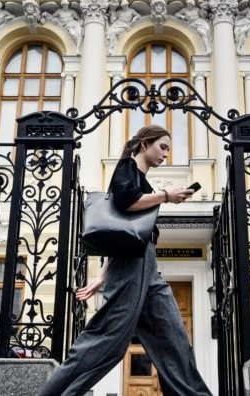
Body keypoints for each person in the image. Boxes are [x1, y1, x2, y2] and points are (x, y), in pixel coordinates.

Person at [37, 125, 213, 396]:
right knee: (108, 340)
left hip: (147, 267)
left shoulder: (142, 181)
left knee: (173, 338)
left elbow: (123, 234)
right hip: (131, 266)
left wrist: (101, 276)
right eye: (162, 147)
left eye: (168, 149)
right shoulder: (126, 168)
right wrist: (166, 196)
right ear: (145, 144)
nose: (165, 154)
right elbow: (125, 202)